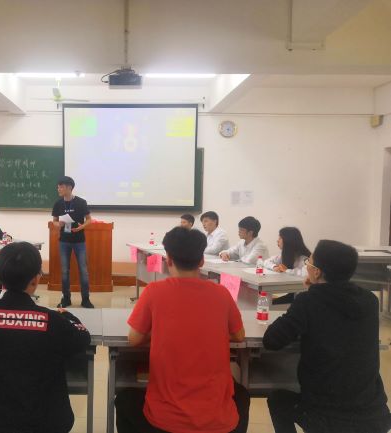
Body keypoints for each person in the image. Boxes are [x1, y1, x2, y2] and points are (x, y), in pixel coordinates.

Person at [115, 227, 250, 433]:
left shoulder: (153, 292)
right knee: (241, 394)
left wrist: (160, 328)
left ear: (168, 259)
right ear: (202, 261)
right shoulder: (221, 294)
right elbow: (239, 336)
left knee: (125, 399)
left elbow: (134, 339)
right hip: (217, 421)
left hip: (164, 420)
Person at [264, 240, 391, 433]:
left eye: (309, 262)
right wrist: (313, 292)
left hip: (328, 416)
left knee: (277, 400)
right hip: (374, 415)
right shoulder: (370, 301)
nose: (307, 266)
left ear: (316, 272)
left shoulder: (308, 301)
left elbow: (272, 340)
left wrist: (307, 295)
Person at [0, 242, 91, 433]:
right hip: (44, 423)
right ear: (35, 279)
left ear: (0, 277)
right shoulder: (52, 320)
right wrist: (68, 316)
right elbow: (83, 339)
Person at [51, 176, 94, 308]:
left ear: (69, 187)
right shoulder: (58, 203)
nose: (58, 189)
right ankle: (66, 298)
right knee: (64, 271)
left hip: (79, 241)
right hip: (64, 241)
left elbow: (89, 219)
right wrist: (58, 224)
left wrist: (81, 227)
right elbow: (54, 221)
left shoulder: (81, 202)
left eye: (61, 187)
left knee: (83, 270)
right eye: (58, 187)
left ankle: (85, 299)